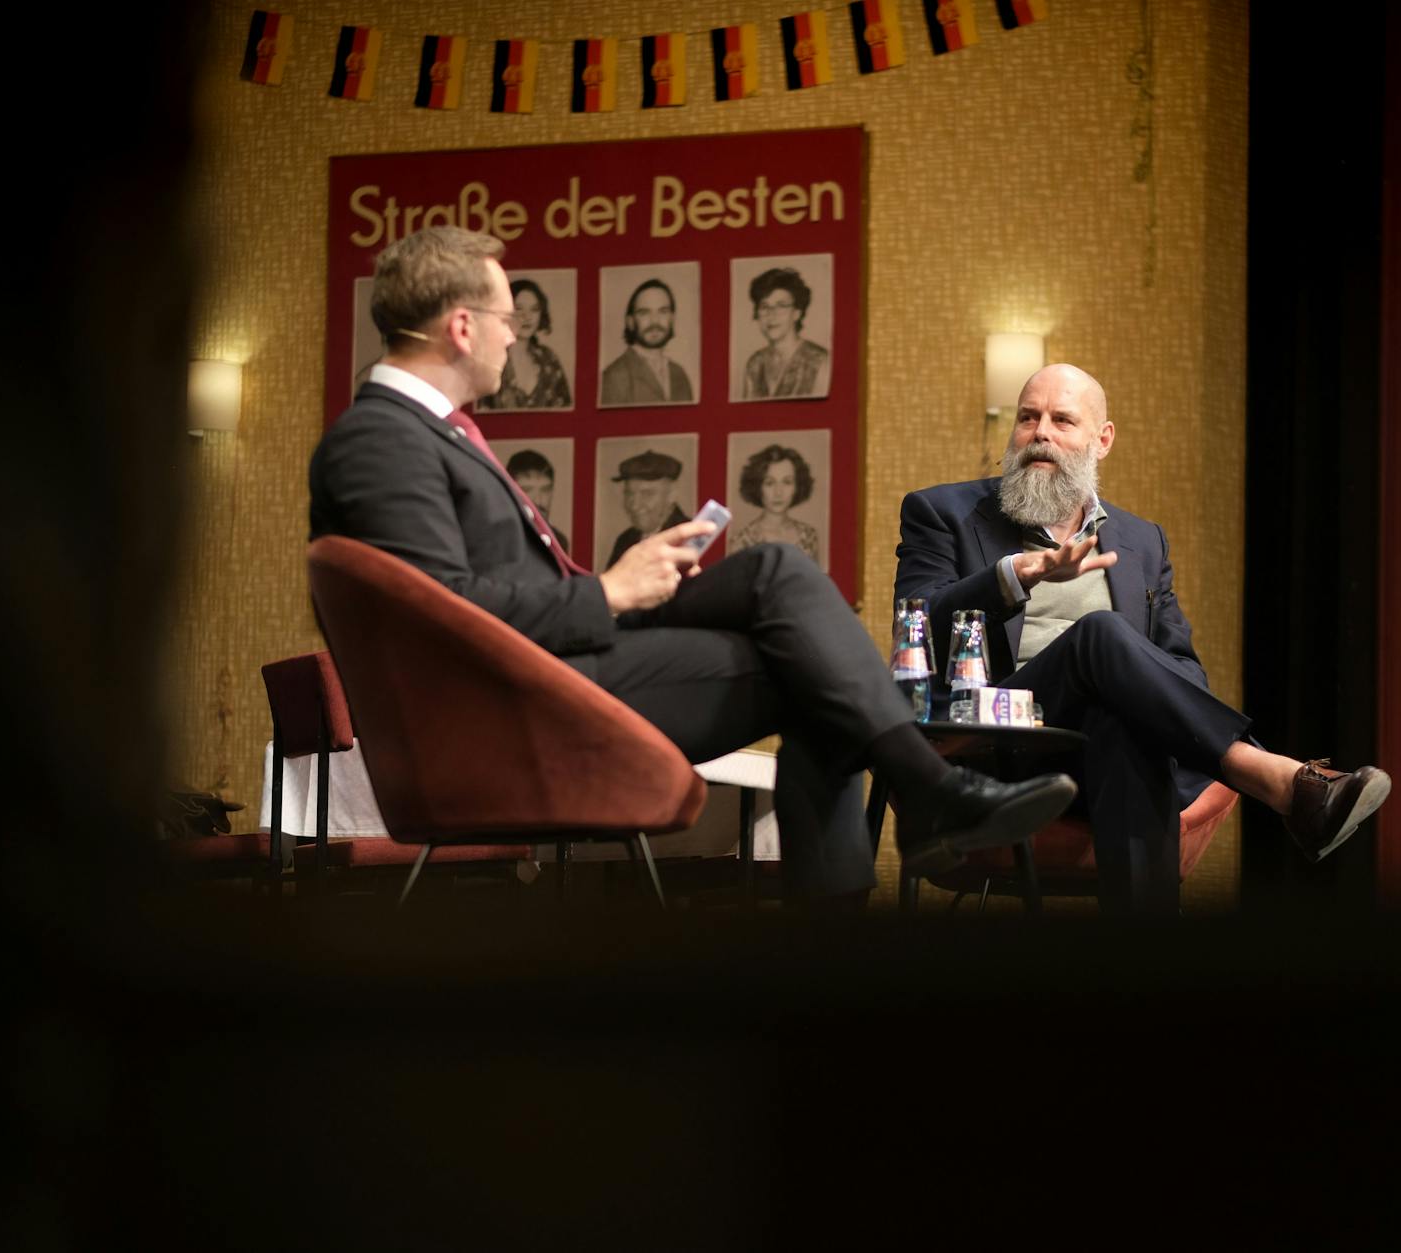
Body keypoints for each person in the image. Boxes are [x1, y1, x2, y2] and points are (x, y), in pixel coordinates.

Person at [309, 226, 1079, 905]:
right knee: (810, 675)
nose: (516, 336)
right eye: (509, 319)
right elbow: (446, 610)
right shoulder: (379, 439)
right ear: (463, 326)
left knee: (776, 574)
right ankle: (918, 814)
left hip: (551, 664)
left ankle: (917, 811)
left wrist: (625, 580)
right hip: (512, 705)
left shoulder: (423, 432)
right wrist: (607, 591)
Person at [894, 362, 1391, 914]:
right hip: (995, 744)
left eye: (1063, 420)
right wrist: (1015, 575)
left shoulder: (1141, 542)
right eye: (1028, 417)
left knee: (1123, 726)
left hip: (1096, 754)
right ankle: (1266, 772)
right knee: (1099, 633)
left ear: (1101, 440)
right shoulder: (943, 512)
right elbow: (918, 619)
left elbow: (1182, 668)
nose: (1041, 433)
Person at [481, 277, 572, 410]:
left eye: (534, 309)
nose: (527, 316)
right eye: (519, 308)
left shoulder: (549, 359)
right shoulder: (491, 358)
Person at [600, 278, 693, 405]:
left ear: (672, 318)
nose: (655, 321)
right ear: (630, 322)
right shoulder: (614, 377)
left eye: (663, 312)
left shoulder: (679, 374)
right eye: (644, 313)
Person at [741, 267, 830, 399]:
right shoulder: (754, 364)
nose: (771, 315)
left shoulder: (820, 361)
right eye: (765, 307)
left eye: (781, 306)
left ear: (796, 313)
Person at [729, 444, 820, 561]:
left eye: (787, 482)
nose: (778, 492)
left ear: (798, 485)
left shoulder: (809, 536)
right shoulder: (741, 541)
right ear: (757, 487)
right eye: (769, 483)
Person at [607, 451, 690, 566]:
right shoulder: (625, 540)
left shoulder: (689, 539)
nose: (634, 505)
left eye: (647, 494)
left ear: (672, 495)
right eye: (629, 494)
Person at [504, 448, 569, 553]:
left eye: (545, 489)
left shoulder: (559, 541)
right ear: (509, 493)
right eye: (527, 490)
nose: (539, 501)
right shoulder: (496, 540)